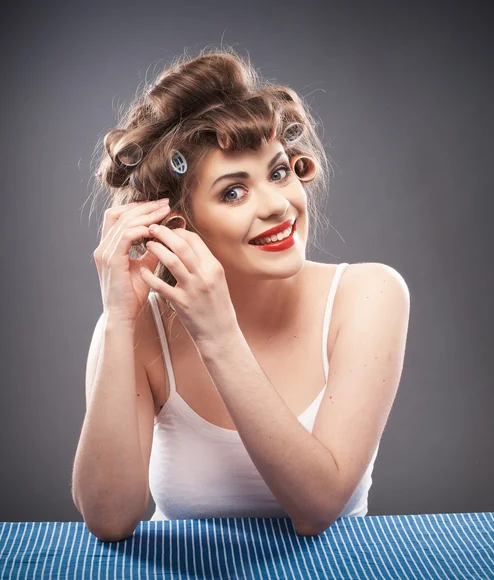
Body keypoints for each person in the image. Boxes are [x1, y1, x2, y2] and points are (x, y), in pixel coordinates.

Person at [71, 46, 411, 543]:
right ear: (174, 222)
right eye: (234, 191)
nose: (279, 204)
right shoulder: (137, 326)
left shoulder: (369, 295)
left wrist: (219, 334)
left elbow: (317, 507)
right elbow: (108, 519)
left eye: (278, 173)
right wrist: (120, 320)